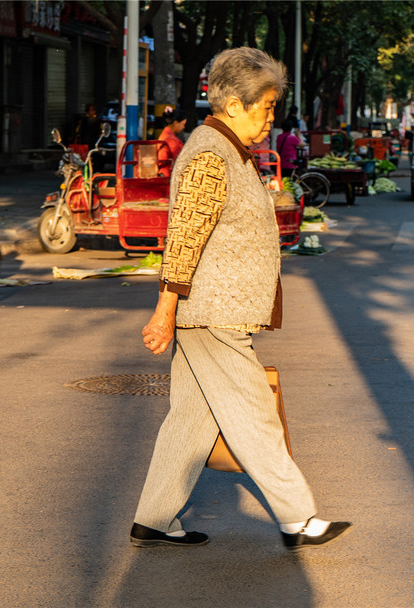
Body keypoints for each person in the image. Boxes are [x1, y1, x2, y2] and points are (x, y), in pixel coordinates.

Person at [132, 47, 351, 551]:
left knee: (190, 418)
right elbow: (184, 237)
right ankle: (298, 517)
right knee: (254, 413)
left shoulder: (227, 148)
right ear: (233, 105)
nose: (271, 118)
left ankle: (154, 517)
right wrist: (165, 311)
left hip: (214, 310)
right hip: (214, 312)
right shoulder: (211, 153)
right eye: (266, 107)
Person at [156, 106, 187, 178]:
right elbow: (180, 162)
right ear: (176, 123)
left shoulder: (164, 135)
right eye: (183, 124)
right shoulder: (172, 140)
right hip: (168, 176)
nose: (183, 127)